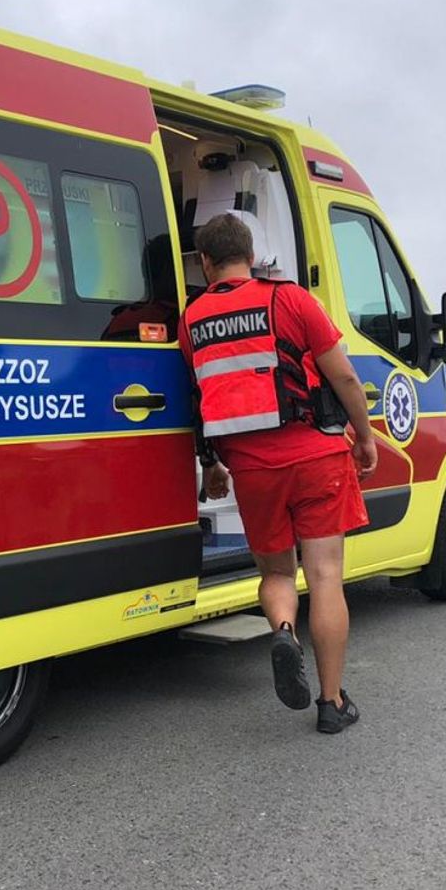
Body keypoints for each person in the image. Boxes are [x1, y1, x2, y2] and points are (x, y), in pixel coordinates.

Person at [179, 213, 378, 734]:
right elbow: (345, 377)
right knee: (326, 575)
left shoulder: (192, 319)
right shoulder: (288, 299)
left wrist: (210, 464)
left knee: (276, 574)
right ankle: (332, 703)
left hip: (252, 469)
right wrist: (366, 436)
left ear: (205, 263)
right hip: (316, 458)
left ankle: (284, 630)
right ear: (251, 255)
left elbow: (197, 397)